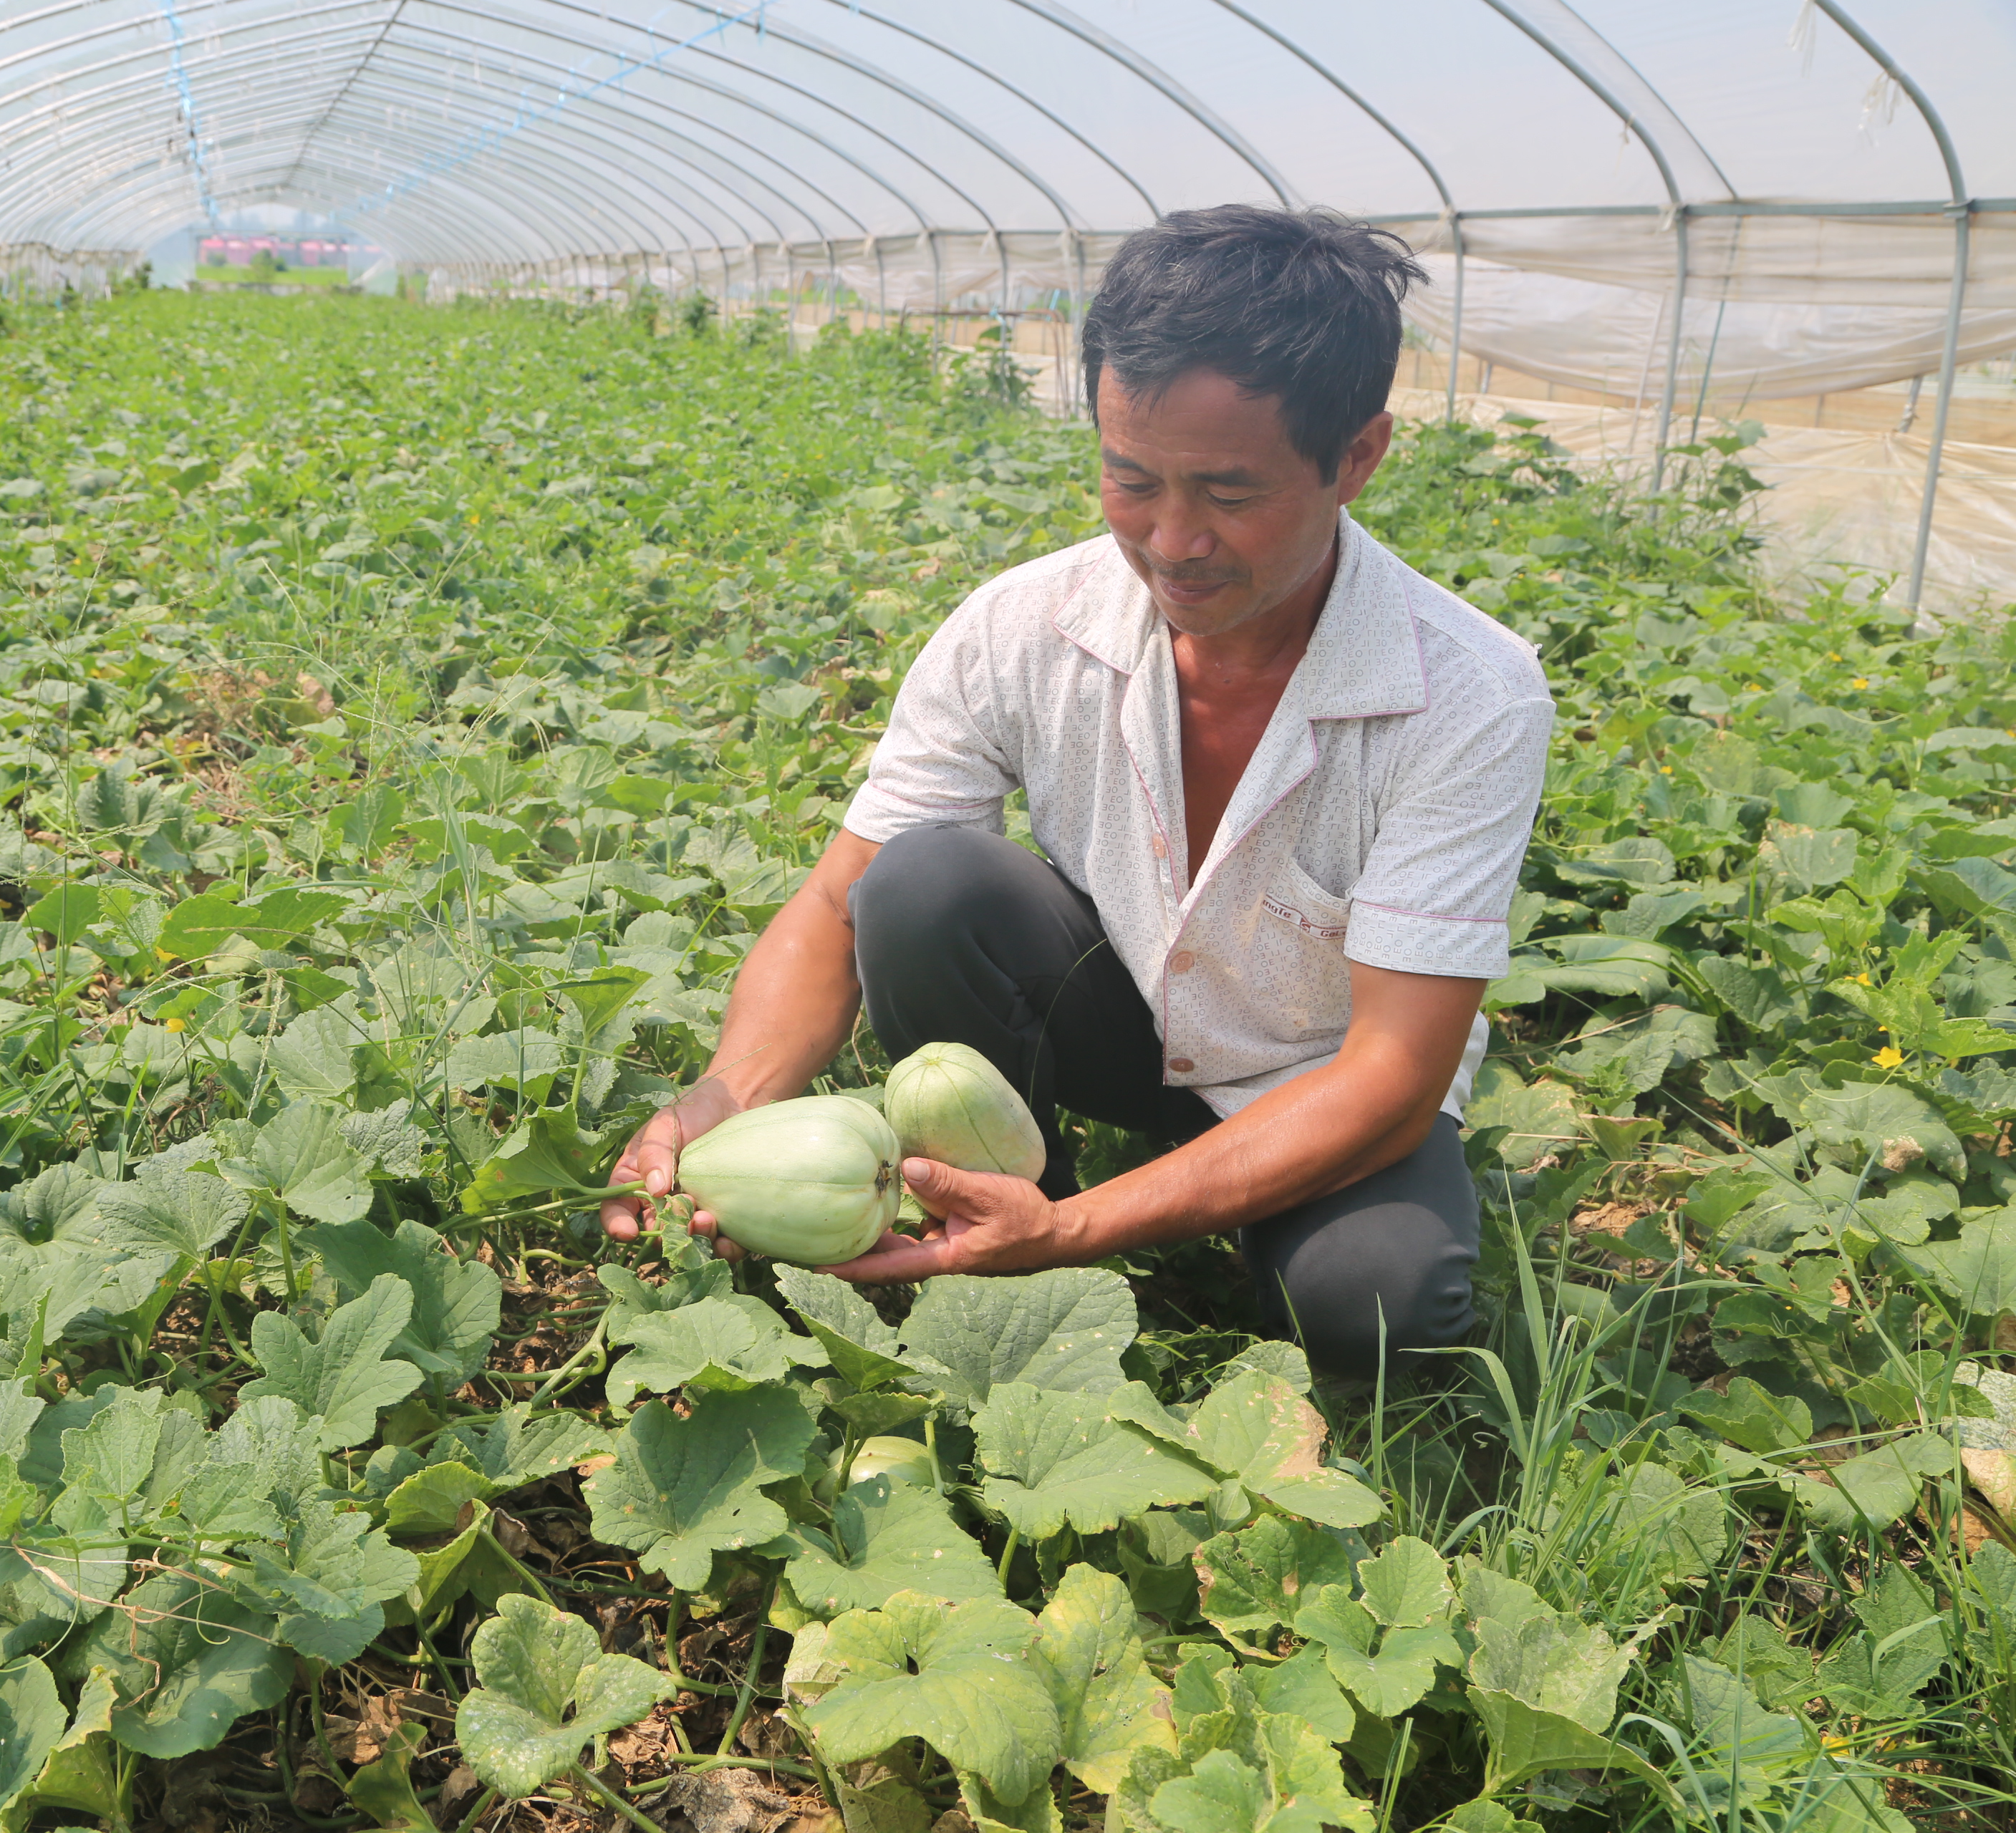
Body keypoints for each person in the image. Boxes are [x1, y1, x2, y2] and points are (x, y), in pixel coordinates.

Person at [601, 205, 1553, 1378]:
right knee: (921, 884)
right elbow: (833, 908)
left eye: (1229, 493)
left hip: (1321, 1077)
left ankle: (1065, 1231)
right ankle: (1000, 1201)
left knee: (1378, 1304)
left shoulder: (1469, 693)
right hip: (1119, 1013)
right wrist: (722, 1098)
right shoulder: (1023, 625)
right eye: (1129, 478)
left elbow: (1394, 1077)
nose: (1170, 539)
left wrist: (1077, 1234)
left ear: (1357, 456)